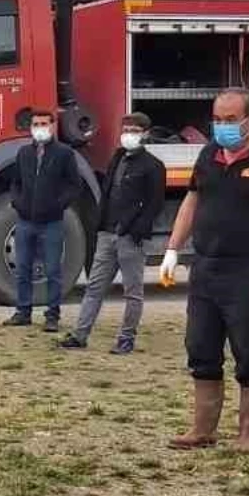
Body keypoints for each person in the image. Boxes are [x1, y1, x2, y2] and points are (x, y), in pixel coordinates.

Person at [162, 88, 249, 452]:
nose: (222, 127)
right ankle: (202, 429)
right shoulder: (209, 155)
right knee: (201, 348)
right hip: (206, 268)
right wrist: (173, 250)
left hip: (248, 270)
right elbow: (192, 201)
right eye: (217, 120)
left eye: (230, 120)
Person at [60, 113, 166, 355]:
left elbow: (153, 205)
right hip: (107, 233)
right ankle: (80, 334)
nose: (129, 134)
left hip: (130, 237)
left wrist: (137, 230)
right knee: (94, 287)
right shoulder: (117, 158)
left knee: (133, 293)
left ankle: (126, 339)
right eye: (126, 128)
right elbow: (107, 193)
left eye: (135, 130)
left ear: (146, 133)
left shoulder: (153, 167)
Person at [4, 107, 82, 333]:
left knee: (53, 270)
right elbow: (15, 183)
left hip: (52, 222)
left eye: (44, 124)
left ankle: (52, 315)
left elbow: (74, 186)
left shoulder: (64, 154)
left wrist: (57, 205)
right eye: (35, 124)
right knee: (23, 268)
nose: (39, 129)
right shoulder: (23, 154)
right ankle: (23, 312)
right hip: (25, 220)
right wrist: (18, 203)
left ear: (53, 125)